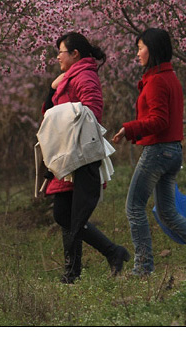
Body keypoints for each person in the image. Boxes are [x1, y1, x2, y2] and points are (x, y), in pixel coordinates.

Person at [111, 28, 186, 279]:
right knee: (168, 213)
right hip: (173, 151)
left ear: (152, 49)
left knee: (134, 207)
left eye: (140, 47)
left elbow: (159, 120)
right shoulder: (169, 77)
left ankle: (143, 268)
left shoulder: (156, 81)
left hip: (158, 152)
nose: (137, 53)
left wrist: (128, 128)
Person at [43, 32, 129, 284]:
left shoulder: (85, 76)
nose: (57, 56)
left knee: (69, 215)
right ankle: (77, 270)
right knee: (65, 214)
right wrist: (52, 88)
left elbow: (92, 112)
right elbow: (51, 111)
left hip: (78, 155)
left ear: (75, 54)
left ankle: (105, 256)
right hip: (65, 154)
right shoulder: (68, 77)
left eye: (61, 51)